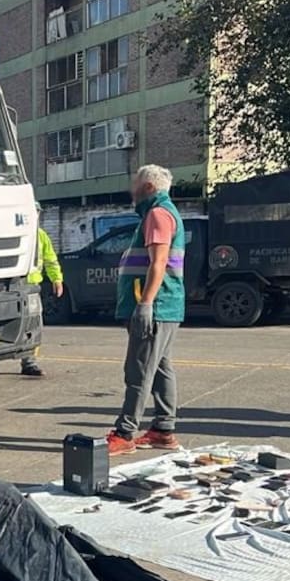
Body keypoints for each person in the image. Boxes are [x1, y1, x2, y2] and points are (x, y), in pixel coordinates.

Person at [107, 165, 186, 456]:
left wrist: (145, 304)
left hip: (157, 305)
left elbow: (159, 262)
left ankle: (125, 433)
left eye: (135, 185)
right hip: (165, 305)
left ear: (149, 188)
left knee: (139, 369)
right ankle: (163, 430)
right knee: (161, 367)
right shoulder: (162, 213)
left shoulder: (157, 214)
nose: (132, 190)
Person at [0, 202, 63, 377]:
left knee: (32, 325)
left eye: (37, 213)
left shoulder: (41, 236)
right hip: (9, 285)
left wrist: (57, 279)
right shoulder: (9, 233)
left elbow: (51, 260)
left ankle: (29, 362)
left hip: (31, 287)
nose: (35, 216)